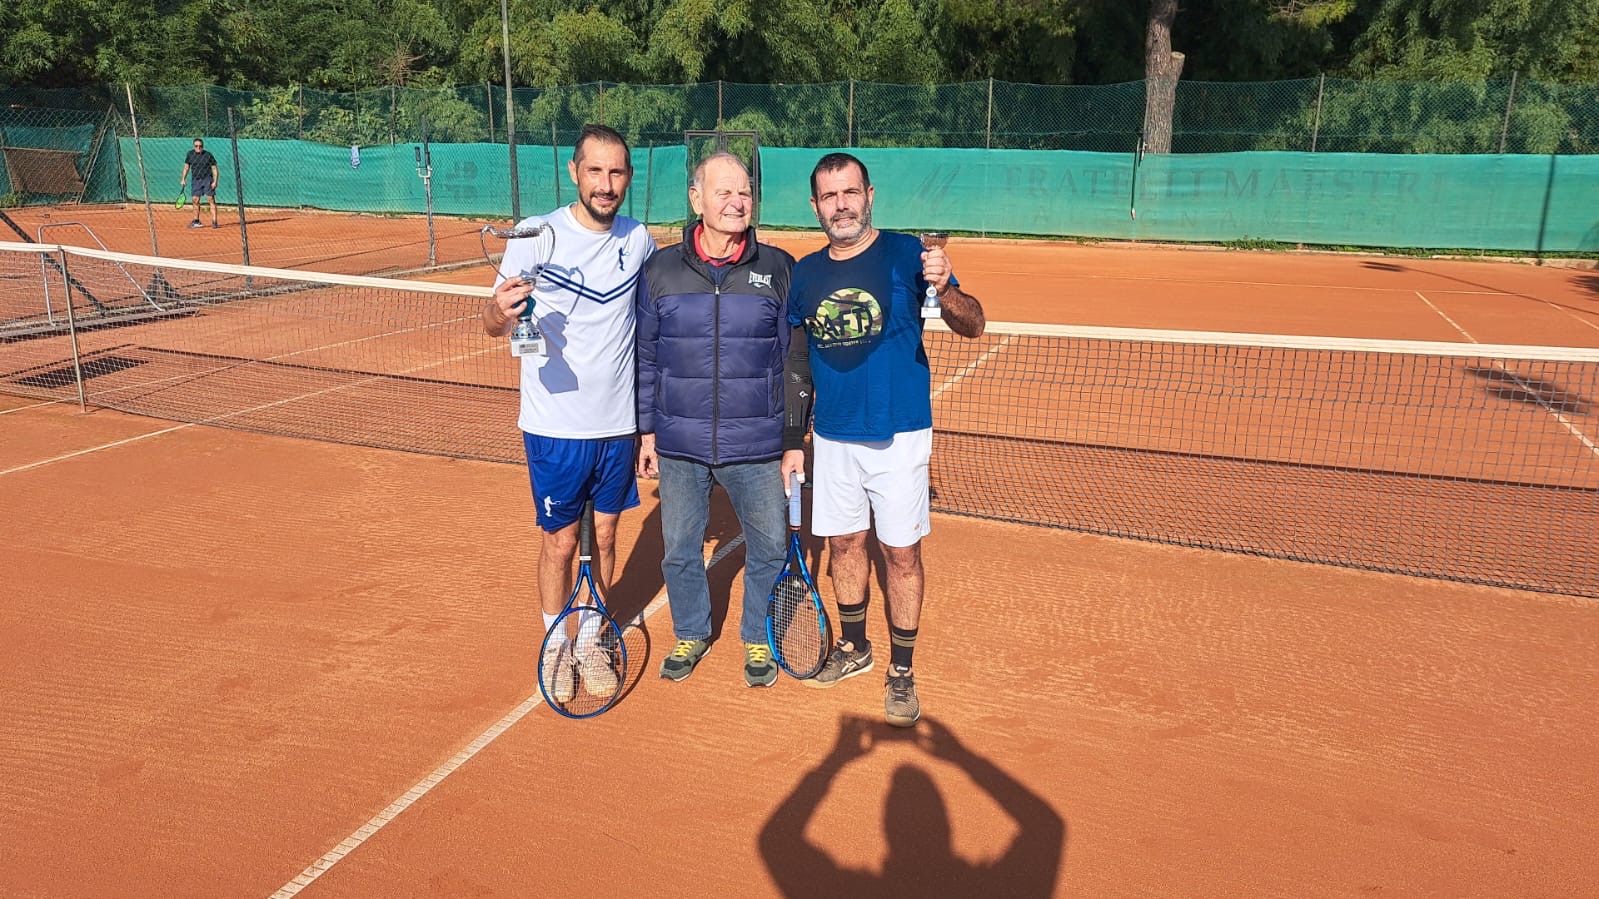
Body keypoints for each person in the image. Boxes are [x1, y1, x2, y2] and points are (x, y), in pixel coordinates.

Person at [780, 152, 986, 727]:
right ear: (815, 206)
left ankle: (901, 669)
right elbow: (798, 357)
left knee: (900, 553)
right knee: (845, 547)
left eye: (850, 193)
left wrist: (945, 287)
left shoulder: (907, 254)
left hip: (900, 435)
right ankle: (854, 648)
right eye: (829, 196)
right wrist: (795, 437)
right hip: (836, 438)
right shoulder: (807, 273)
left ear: (869, 195)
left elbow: (974, 324)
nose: (841, 205)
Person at [482, 124, 656, 702]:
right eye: (596, 171)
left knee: (605, 539)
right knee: (559, 542)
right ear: (574, 172)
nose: (606, 185)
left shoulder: (640, 241)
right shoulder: (535, 236)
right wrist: (500, 314)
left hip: (617, 425)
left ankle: (589, 638)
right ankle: (556, 641)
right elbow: (494, 322)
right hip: (555, 426)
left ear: (627, 178)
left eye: (617, 173)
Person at [636, 152, 802, 688]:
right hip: (680, 442)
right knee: (680, 550)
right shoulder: (660, 269)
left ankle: (757, 634)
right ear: (696, 199)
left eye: (745, 193)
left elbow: (791, 356)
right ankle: (691, 630)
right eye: (724, 192)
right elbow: (646, 354)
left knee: (771, 545)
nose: (737, 203)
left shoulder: (777, 267)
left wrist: (793, 435)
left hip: (756, 442)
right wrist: (646, 429)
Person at [179, 138, 220, 229]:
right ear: (194, 146)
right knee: (195, 200)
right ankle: (196, 221)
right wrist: (183, 179)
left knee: (211, 199)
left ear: (203, 146)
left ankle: (214, 221)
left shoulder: (208, 155)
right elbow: (186, 168)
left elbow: (214, 169)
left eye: (200, 146)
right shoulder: (190, 154)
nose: (198, 147)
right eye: (196, 146)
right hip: (196, 180)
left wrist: (215, 181)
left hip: (207, 180)